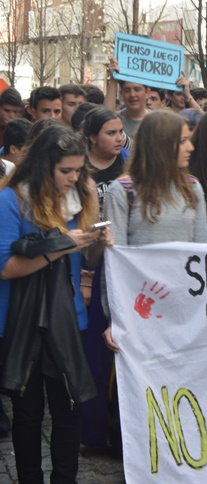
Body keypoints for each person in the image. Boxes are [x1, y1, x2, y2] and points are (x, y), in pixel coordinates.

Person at [0, 124, 111, 483]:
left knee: (69, 409)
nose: (73, 178)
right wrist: (62, 245)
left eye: (79, 170)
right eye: (66, 171)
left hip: (70, 318)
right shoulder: (12, 199)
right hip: (19, 320)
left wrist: (96, 242)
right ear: (43, 165)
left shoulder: (80, 198)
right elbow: (6, 268)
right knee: (28, 412)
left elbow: (88, 264)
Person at [102, 111, 207, 349]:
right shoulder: (122, 191)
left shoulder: (193, 188)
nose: (191, 147)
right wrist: (116, 319)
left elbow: (203, 252)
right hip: (141, 312)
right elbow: (114, 264)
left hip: (185, 309)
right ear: (160, 144)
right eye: (183, 141)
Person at [78, 107, 130, 456]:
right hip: (93, 263)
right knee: (99, 356)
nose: (118, 138)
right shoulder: (78, 170)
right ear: (93, 137)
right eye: (110, 132)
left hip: (125, 267)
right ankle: (96, 433)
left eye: (121, 131)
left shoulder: (127, 167)